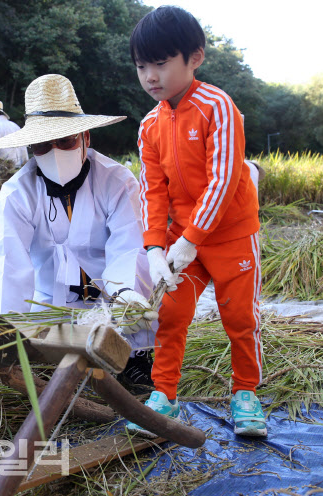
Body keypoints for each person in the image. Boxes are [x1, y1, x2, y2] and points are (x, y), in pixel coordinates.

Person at [128, 6, 265, 437]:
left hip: (230, 236)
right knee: (171, 315)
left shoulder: (217, 106)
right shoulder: (149, 125)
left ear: (195, 58)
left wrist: (191, 241)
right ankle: (163, 395)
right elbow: (154, 191)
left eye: (161, 63)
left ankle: (245, 393)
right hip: (181, 239)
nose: (151, 75)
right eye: (141, 66)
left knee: (240, 317)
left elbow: (224, 178)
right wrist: (154, 248)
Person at [0, 74, 157, 386]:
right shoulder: (17, 192)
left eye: (65, 141)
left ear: (85, 137)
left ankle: (134, 355)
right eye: (41, 145)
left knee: (134, 313)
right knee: (32, 338)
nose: (54, 152)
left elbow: (129, 246)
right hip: (49, 301)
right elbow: (6, 262)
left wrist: (126, 293)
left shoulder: (117, 181)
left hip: (108, 298)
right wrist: (6, 332)